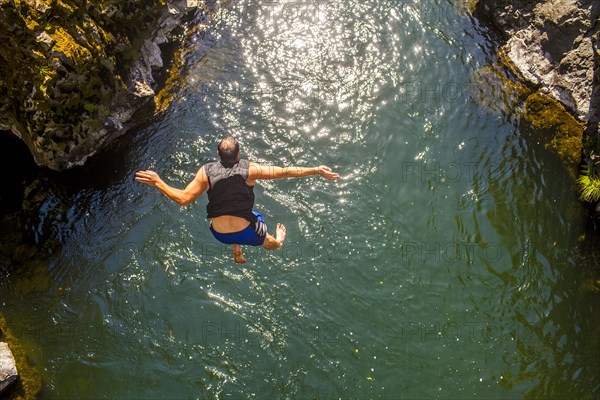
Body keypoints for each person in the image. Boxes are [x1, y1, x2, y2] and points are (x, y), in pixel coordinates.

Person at [135, 136, 340, 263]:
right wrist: (316, 170)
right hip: (247, 230)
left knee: (233, 215)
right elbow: (285, 172)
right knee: (267, 236)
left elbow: (183, 199)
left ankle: (236, 250)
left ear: (217, 154)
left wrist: (158, 182)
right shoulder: (250, 170)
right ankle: (276, 241)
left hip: (220, 234)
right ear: (238, 154)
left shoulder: (205, 172)